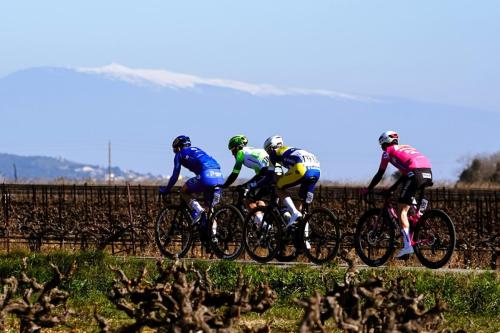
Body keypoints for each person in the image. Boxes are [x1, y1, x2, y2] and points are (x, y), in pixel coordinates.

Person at [364, 130, 433, 258]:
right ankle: (416, 221)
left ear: (385, 143)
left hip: (415, 173)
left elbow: (380, 173)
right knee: (411, 206)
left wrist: (368, 189)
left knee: (401, 210)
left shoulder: (388, 152)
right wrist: (392, 188)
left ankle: (407, 247)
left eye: (382, 145)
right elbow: (405, 175)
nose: (382, 148)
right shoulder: (406, 147)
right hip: (427, 171)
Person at [159, 135, 224, 223]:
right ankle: (213, 235)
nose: (175, 152)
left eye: (174, 149)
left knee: (183, 191)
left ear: (178, 147)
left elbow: (175, 175)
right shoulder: (197, 149)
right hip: (219, 176)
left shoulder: (179, 154)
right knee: (210, 212)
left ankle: (198, 210)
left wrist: (167, 189)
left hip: (206, 176)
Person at [263, 135, 321, 228]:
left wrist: (254, 186)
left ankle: (294, 213)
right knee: (302, 204)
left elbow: (271, 176)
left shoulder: (274, 154)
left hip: (302, 168)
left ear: (272, 147)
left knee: (279, 187)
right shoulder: (289, 150)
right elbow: (279, 173)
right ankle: (305, 239)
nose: (269, 154)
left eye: (268, 151)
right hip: (316, 170)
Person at [223, 135, 275, 225]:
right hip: (275, 173)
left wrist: (225, 185)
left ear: (237, 147)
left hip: (266, 172)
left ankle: (262, 223)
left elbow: (235, 173)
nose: (232, 154)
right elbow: (259, 176)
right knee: (258, 198)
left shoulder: (241, 153)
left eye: (233, 150)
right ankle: (265, 221)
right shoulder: (253, 151)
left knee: (248, 198)